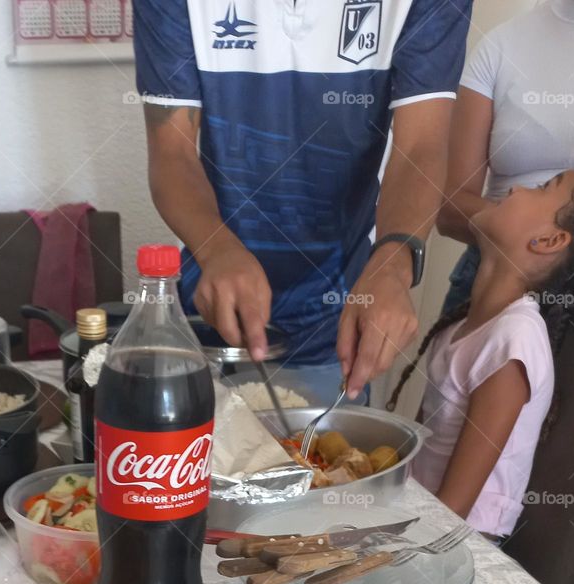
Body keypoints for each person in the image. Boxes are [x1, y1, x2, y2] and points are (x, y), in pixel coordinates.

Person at [133, 0, 472, 399]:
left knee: (330, 459)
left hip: (338, 317)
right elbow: (172, 153)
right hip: (207, 318)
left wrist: (395, 262)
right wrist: (217, 249)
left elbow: (421, 145)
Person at [388, 168, 574, 540]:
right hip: (418, 522)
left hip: (456, 547)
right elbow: (415, 449)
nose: (516, 187)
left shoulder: (513, 340)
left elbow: (453, 510)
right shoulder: (463, 326)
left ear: (548, 239)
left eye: (541, 188)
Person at [437, 0, 574, 315]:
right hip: (493, 280)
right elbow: (451, 209)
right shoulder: (499, 46)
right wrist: (534, 240)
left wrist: (552, 245)